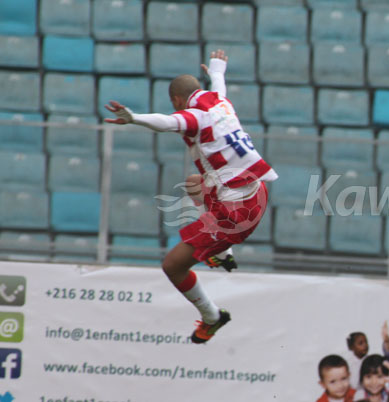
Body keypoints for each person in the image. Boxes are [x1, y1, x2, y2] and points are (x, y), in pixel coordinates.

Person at [103, 50, 278, 343]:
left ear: (176, 100)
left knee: (172, 266)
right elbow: (219, 86)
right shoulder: (219, 102)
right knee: (194, 183)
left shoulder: (193, 116)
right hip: (256, 191)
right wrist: (218, 70)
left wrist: (134, 118)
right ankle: (221, 254)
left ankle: (213, 316)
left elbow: (167, 122)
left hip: (235, 217)